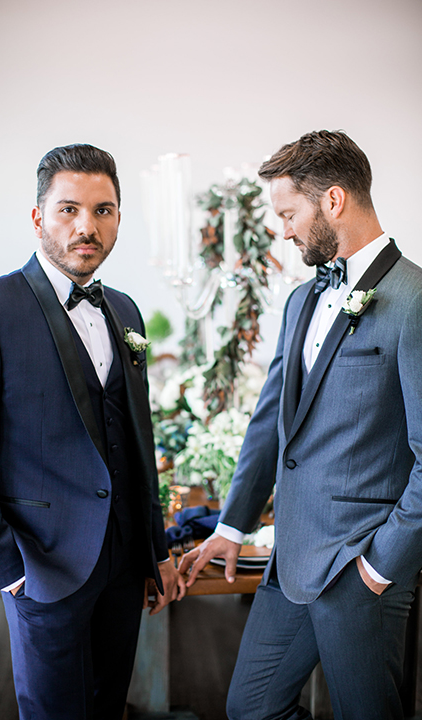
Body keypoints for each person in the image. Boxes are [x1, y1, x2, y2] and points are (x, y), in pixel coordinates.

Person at [180, 130, 422, 720]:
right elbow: (272, 425)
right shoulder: (299, 301)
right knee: (251, 708)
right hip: (290, 564)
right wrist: (234, 526)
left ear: (333, 201)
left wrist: (378, 567)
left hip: (362, 570)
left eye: (289, 213)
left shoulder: (414, 301)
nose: (282, 230)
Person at [0, 143, 185, 720]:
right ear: (37, 218)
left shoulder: (125, 310)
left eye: (103, 211)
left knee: (108, 706)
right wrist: (9, 570)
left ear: (119, 219)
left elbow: (139, 438)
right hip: (42, 566)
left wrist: (156, 551)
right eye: (69, 209)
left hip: (125, 565)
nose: (87, 227)